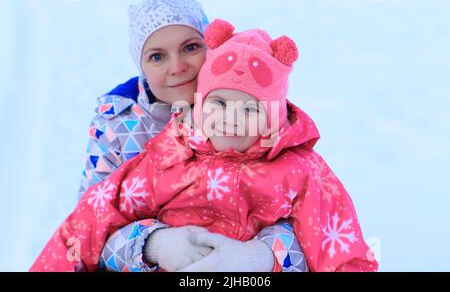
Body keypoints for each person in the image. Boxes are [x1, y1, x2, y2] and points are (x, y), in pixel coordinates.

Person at [30, 19, 378, 272]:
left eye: (251, 109)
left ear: (273, 116)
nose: (232, 118)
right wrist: (155, 245)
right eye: (219, 103)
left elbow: (340, 248)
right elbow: (93, 215)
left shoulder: (299, 170)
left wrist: (263, 257)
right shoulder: (169, 154)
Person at [77, 0, 304, 272]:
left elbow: (309, 223)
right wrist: (154, 245)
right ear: (141, 67)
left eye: (190, 47)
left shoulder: (253, 114)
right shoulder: (116, 128)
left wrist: (259, 257)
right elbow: (88, 230)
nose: (178, 66)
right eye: (157, 57)